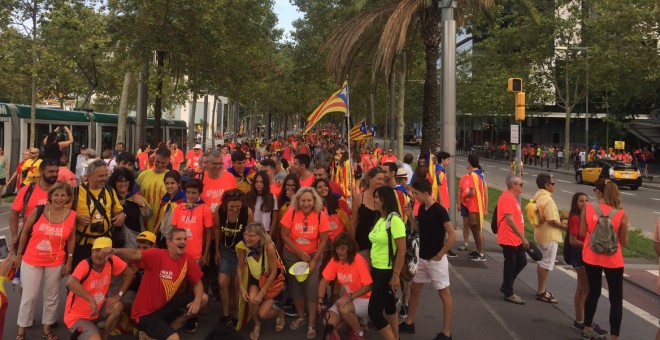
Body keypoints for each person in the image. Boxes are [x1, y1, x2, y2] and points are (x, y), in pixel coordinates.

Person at [106, 228, 209, 340]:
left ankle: (162, 332)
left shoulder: (187, 259)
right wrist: (115, 251)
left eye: (185, 239)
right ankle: (157, 334)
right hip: (144, 314)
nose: (183, 241)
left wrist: (197, 301)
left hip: (165, 307)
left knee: (203, 298)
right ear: (168, 242)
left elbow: (197, 283)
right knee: (174, 338)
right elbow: (135, 253)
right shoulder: (156, 255)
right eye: (178, 239)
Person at [14, 182, 76, 340]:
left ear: (68, 197)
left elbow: (71, 240)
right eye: (56, 195)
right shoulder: (39, 210)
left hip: (56, 261)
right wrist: (19, 254)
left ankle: (46, 329)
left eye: (63, 195)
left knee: (52, 296)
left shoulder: (72, 215)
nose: (59, 198)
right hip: (32, 258)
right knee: (29, 295)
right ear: (50, 196)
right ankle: (22, 330)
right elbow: (25, 232)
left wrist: (69, 260)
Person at [399, 179, 455, 340]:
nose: (414, 196)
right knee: (415, 289)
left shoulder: (439, 210)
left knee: (444, 294)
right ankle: (409, 322)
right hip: (422, 258)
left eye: (416, 193)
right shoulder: (422, 209)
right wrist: (410, 217)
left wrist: (441, 253)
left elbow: (451, 236)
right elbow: (420, 230)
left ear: (425, 193)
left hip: (436, 260)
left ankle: (446, 332)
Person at [579, 178, 628, 340]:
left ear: (598, 192)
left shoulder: (588, 207)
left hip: (591, 256)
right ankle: (615, 336)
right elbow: (624, 241)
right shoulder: (621, 213)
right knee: (616, 298)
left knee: (594, 292)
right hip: (613, 259)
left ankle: (587, 328)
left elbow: (582, 232)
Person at [280, 187, 330, 339]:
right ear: (298, 201)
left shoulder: (321, 215)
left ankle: (311, 324)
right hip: (292, 255)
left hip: (312, 256)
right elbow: (284, 235)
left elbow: (323, 240)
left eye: (309, 200)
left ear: (314, 201)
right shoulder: (292, 212)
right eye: (303, 200)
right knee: (295, 287)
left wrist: (314, 260)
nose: (306, 203)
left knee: (311, 288)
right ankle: (301, 317)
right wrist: (299, 252)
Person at [64, 237, 134, 340]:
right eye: (97, 250)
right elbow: (70, 282)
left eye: (104, 252)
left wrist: (118, 295)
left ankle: (104, 337)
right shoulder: (85, 265)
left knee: (118, 306)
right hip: (78, 317)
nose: (100, 255)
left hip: (98, 309)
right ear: (92, 251)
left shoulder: (111, 260)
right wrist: (91, 299)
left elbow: (129, 274)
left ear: (110, 253)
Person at [566, 193, 609, 335]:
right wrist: (590, 244)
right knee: (586, 291)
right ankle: (584, 322)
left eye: (586, 200)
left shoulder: (584, 217)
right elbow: (573, 241)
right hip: (580, 255)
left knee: (582, 290)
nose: (584, 203)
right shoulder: (575, 218)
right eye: (580, 201)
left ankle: (581, 321)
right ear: (575, 203)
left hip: (584, 255)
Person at [235, 223, 286, 340]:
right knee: (252, 301)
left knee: (263, 313)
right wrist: (241, 287)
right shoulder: (243, 245)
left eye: (251, 235)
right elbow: (240, 267)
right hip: (255, 279)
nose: (247, 238)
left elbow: (273, 272)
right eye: (245, 234)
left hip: (270, 280)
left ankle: (279, 313)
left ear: (261, 236)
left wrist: (262, 292)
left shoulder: (268, 247)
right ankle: (257, 324)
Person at [70, 160, 125, 267]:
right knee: (81, 275)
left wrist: (121, 216)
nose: (104, 178)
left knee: (102, 276)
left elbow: (119, 211)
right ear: (89, 175)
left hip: (105, 242)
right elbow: (63, 213)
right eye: (100, 176)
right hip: (83, 244)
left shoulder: (109, 190)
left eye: (105, 175)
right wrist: (76, 217)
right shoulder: (76, 192)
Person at [318, 233, 372, 340]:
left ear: (350, 248)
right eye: (337, 248)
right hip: (349, 299)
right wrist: (320, 300)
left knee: (344, 308)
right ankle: (351, 322)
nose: (339, 251)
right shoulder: (335, 260)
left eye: (343, 248)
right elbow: (324, 281)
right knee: (327, 322)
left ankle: (358, 334)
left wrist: (349, 297)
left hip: (366, 299)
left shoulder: (358, 259)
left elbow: (369, 286)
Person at [368, 186, 406, 340]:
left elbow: (402, 250)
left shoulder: (394, 220)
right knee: (389, 306)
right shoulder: (381, 218)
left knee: (374, 313)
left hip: (387, 271)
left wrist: (395, 275)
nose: (374, 200)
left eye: (377, 197)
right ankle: (395, 336)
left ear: (385, 200)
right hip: (377, 269)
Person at [215, 189, 254, 324]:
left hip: (241, 250)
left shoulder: (247, 212)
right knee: (222, 282)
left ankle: (237, 313)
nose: (235, 209)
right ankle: (226, 314)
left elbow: (251, 235)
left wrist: (248, 255)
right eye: (232, 207)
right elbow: (216, 229)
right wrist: (216, 251)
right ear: (226, 204)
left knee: (238, 284)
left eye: (238, 206)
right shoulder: (220, 210)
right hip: (225, 249)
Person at [10, 158, 60, 253]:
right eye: (51, 171)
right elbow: (14, 213)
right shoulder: (27, 190)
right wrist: (15, 235)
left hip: (55, 241)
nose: (55, 174)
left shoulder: (62, 191)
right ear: (41, 171)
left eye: (57, 171)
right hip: (29, 239)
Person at [532, 173, 563, 304]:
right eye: (553, 183)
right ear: (547, 185)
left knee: (542, 262)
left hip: (540, 233)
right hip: (549, 235)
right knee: (546, 263)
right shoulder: (548, 200)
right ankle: (541, 291)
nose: (554, 186)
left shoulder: (537, 196)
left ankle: (540, 289)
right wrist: (565, 227)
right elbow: (551, 220)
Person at [497, 174, 528, 304]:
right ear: (512, 185)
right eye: (520, 184)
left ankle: (506, 285)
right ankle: (508, 292)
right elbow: (509, 220)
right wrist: (523, 237)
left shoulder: (512, 197)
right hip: (509, 237)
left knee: (521, 261)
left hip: (515, 238)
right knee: (511, 264)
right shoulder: (507, 198)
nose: (522, 186)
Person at [108, 168, 152, 249]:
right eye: (120, 181)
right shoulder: (109, 198)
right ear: (114, 182)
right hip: (116, 243)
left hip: (135, 241)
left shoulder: (136, 196)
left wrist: (141, 204)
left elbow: (148, 215)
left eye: (126, 181)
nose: (123, 184)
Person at [350, 167, 384, 264]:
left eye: (383, 179)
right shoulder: (360, 197)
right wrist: (352, 243)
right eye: (379, 179)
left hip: (380, 243)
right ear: (369, 179)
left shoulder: (385, 198)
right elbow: (353, 222)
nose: (381, 182)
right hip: (362, 241)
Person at [457, 155, 488, 261]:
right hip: (478, 205)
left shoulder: (473, 175)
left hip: (475, 206)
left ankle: (481, 253)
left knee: (476, 230)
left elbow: (472, 192)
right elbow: (484, 191)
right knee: (475, 229)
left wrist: (463, 197)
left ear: (469, 162)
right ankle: (478, 250)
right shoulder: (480, 174)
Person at [137, 147, 170, 233]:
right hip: (143, 223)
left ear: (168, 161)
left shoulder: (172, 177)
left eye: (163, 163)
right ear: (154, 159)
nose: (160, 165)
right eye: (157, 162)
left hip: (163, 224)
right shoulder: (143, 175)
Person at [245, 171, 279, 237]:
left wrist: (270, 235)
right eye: (256, 182)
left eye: (261, 182)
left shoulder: (272, 197)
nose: (258, 184)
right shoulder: (248, 196)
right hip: (251, 232)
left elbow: (274, 219)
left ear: (265, 183)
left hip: (265, 232)